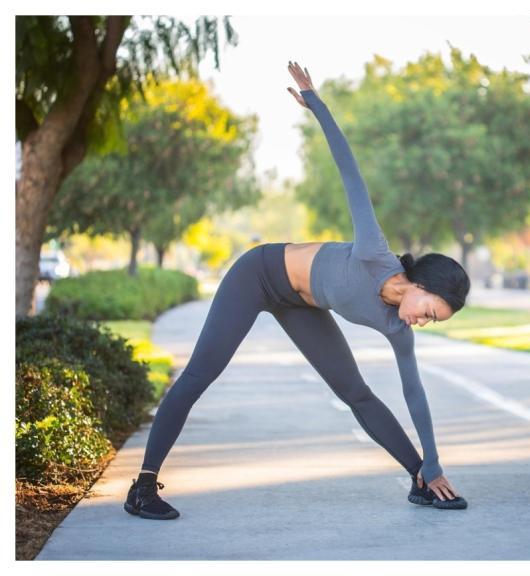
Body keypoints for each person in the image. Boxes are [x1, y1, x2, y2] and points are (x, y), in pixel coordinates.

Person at [124, 61, 470, 519]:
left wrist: (431, 460)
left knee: (357, 393)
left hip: (299, 304)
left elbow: (414, 393)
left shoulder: (397, 327)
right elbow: (351, 175)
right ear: (420, 283)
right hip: (259, 275)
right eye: (429, 310)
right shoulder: (373, 252)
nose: (422, 321)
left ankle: (418, 482)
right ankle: (143, 486)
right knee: (200, 372)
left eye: (432, 321)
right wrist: (318, 107)